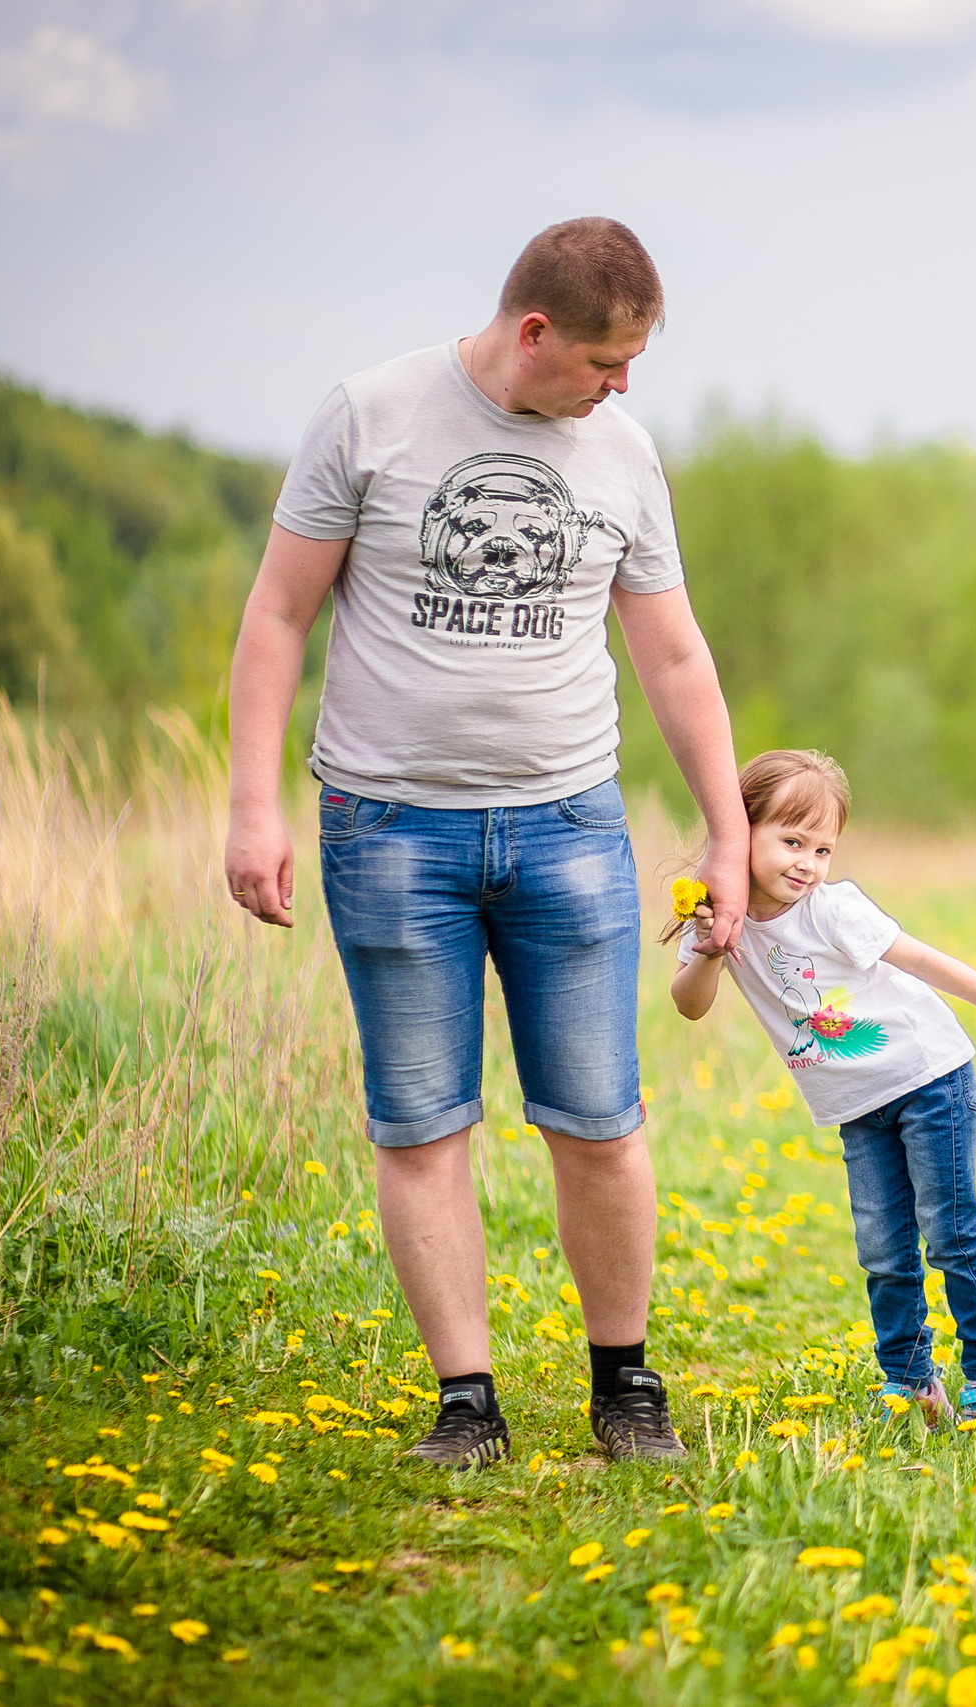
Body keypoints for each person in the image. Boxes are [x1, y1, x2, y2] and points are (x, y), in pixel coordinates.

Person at [222, 217, 752, 1469]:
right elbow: (277, 614)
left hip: (570, 826)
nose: (621, 387)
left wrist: (728, 831)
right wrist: (253, 806)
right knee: (420, 1122)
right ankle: (468, 1405)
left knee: (600, 1118)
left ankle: (625, 1388)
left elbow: (673, 654)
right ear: (533, 333)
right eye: (604, 362)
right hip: (389, 827)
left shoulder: (621, 453)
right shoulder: (371, 416)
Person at [669, 750, 976, 1428]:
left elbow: (920, 957)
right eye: (791, 840)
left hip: (930, 1078)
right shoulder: (718, 917)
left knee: (951, 1232)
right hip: (858, 1107)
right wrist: (711, 949)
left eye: (822, 847)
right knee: (883, 1249)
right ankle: (910, 1382)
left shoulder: (831, 908)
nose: (808, 862)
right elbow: (689, 1003)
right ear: (738, 827)